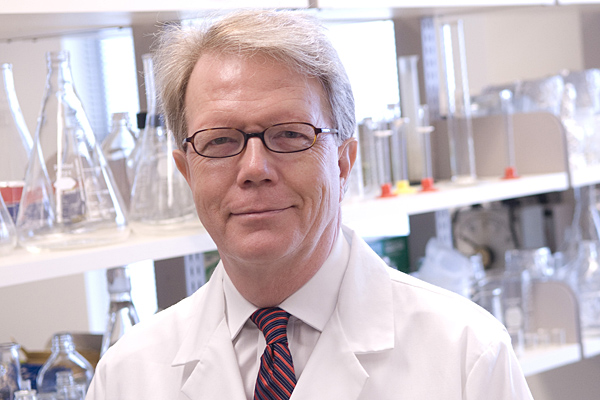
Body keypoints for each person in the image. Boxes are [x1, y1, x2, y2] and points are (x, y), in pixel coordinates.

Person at [87, 9, 533, 400]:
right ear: (187, 172)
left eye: (289, 134)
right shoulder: (127, 375)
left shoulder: (466, 353)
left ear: (343, 163)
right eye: (220, 140)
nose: (254, 168)